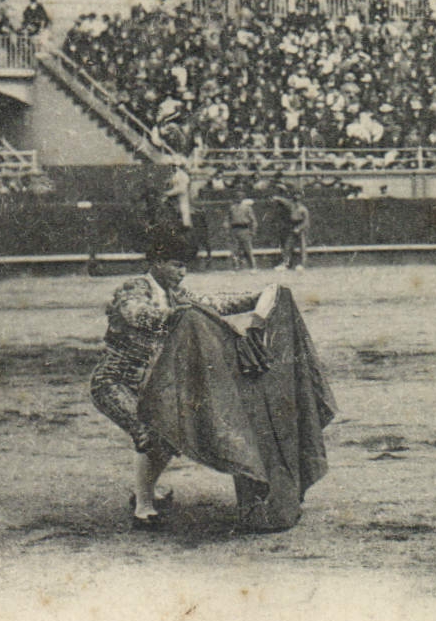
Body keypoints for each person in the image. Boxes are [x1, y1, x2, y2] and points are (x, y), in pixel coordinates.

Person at [89, 224, 272, 527]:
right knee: (152, 432)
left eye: (185, 265)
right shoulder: (134, 288)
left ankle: (144, 491)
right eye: (177, 264)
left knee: (168, 433)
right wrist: (178, 315)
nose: (183, 271)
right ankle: (143, 508)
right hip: (114, 382)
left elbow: (213, 305)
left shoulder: (176, 293)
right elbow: (135, 313)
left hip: (149, 382)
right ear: (158, 262)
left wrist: (257, 297)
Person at [274, 193, 309, 271]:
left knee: (302, 247)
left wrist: (299, 228)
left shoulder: (303, 209)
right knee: (287, 246)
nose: (296, 203)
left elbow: (306, 222)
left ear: (300, 201)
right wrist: (277, 198)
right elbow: (286, 201)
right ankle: (286, 264)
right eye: (295, 201)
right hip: (292, 227)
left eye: (297, 201)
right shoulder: (292, 206)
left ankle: (303, 264)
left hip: (301, 229)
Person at [229, 193, 258, 270]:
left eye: (240, 197)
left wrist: (253, 231)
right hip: (234, 229)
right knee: (235, 249)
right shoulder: (232, 208)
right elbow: (229, 219)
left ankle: (253, 267)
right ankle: (236, 267)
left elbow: (253, 220)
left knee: (247, 249)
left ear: (243, 198)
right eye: (237, 197)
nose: (238, 198)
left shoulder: (247, 208)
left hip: (244, 229)